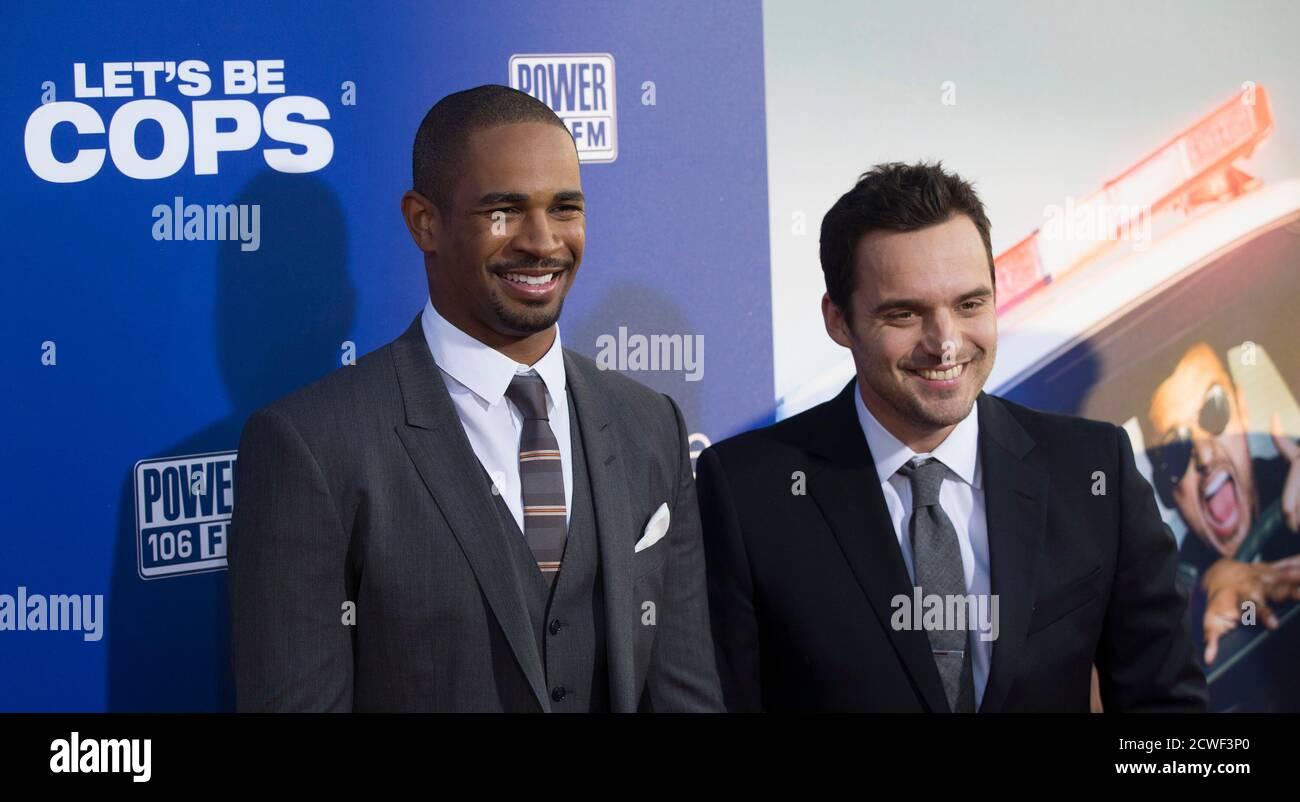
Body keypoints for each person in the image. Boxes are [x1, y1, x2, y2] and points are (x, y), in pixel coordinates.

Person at [228, 85, 722, 712]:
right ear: (423, 222)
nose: (543, 242)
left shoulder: (649, 422)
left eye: (565, 208)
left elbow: (686, 697)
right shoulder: (312, 445)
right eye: (505, 210)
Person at [697, 161, 1206, 712]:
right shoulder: (750, 493)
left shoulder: (1093, 471)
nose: (945, 343)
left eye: (969, 304)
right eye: (905, 314)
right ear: (838, 320)